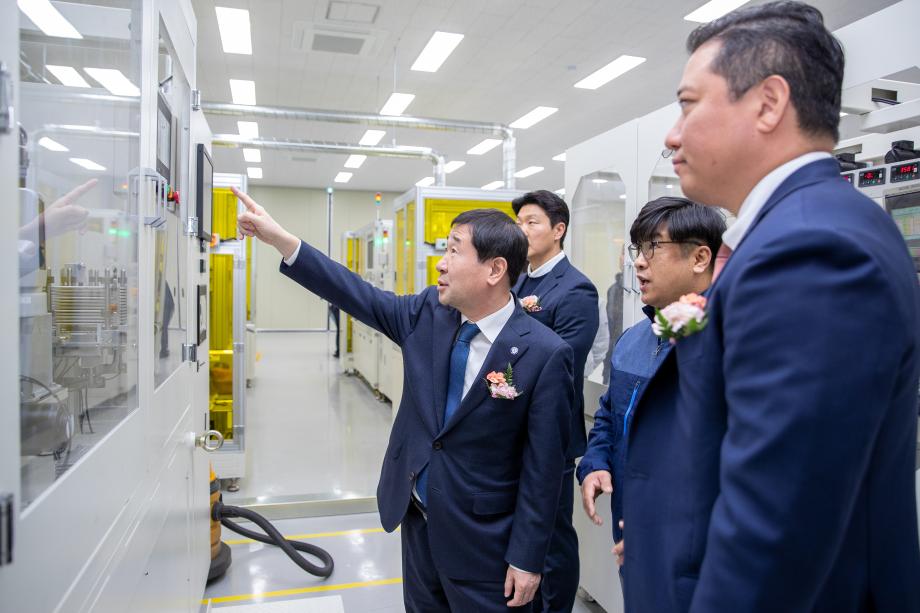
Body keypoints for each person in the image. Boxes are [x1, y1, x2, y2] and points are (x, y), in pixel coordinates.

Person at [625, 2, 920, 612]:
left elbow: (778, 522)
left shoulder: (811, 248)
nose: (672, 135)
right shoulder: (793, 232)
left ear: (768, 103)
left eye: (688, 105)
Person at [235, 188, 574, 612]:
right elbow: (355, 293)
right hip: (418, 522)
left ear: (495, 269)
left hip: (486, 544)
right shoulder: (427, 313)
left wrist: (526, 557)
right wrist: (282, 240)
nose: (441, 263)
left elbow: (545, 470)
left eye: (454, 250)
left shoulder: (544, 353)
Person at [578, 197, 724, 595]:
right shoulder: (633, 340)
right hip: (633, 536)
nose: (639, 263)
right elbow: (609, 416)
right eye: (637, 250)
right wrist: (595, 463)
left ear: (700, 258)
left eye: (653, 248)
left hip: (699, 554)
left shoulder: (727, 343)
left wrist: (665, 530)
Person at [511, 190, 599, 613]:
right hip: (510, 428)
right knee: (521, 532)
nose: (522, 230)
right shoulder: (516, 280)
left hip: (550, 433)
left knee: (552, 536)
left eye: (532, 222)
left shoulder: (576, 289)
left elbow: (563, 366)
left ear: (558, 230)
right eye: (519, 223)